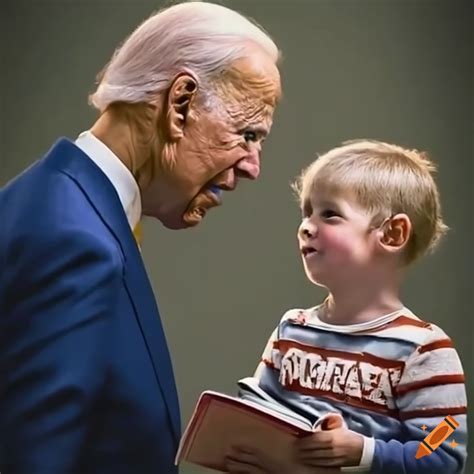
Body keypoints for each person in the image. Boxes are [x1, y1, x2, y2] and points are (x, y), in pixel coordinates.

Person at [0, 2, 281, 473]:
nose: (254, 166)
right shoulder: (76, 241)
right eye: (248, 133)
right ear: (181, 103)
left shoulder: (48, 200)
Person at [225, 140, 467, 474]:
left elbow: (444, 448)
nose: (306, 226)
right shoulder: (292, 329)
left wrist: (364, 452)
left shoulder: (425, 350)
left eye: (330, 214)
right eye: (307, 212)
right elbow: (255, 414)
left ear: (393, 234)